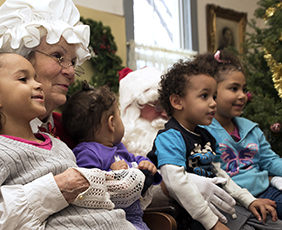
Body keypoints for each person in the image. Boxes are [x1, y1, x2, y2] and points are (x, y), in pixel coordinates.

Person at [0, 0, 137, 229]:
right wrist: (54, 189)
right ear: (22, 57)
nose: (70, 72)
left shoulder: (67, 129)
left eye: (73, 61)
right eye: (58, 56)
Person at [147, 58, 281, 230]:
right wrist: (212, 223)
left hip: (221, 205)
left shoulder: (206, 136)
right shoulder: (170, 137)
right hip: (192, 215)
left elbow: (220, 174)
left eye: (214, 96)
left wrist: (249, 201)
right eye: (205, 96)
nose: (213, 103)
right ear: (177, 102)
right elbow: (176, 183)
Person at [119, 66, 239, 225]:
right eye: (157, 106)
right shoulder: (120, 147)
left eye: (165, 106)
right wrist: (173, 183)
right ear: (133, 109)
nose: (164, 113)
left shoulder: (194, 134)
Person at [61, 81, 162, 230]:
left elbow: (134, 160)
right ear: (112, 123)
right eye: (119, 116)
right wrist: (111, 174)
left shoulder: (118, 148)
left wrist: (145, 163)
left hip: (134, 216)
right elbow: (86, 186)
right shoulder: (86, 152)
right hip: (107, 218)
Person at [199, 50, 282, 219]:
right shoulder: (203, 131)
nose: (242, 96)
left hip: (265, 190)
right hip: (233, 199)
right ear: (212, 92)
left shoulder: (251, 128)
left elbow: (270, 160)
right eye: (234, 88)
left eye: (244, 89)